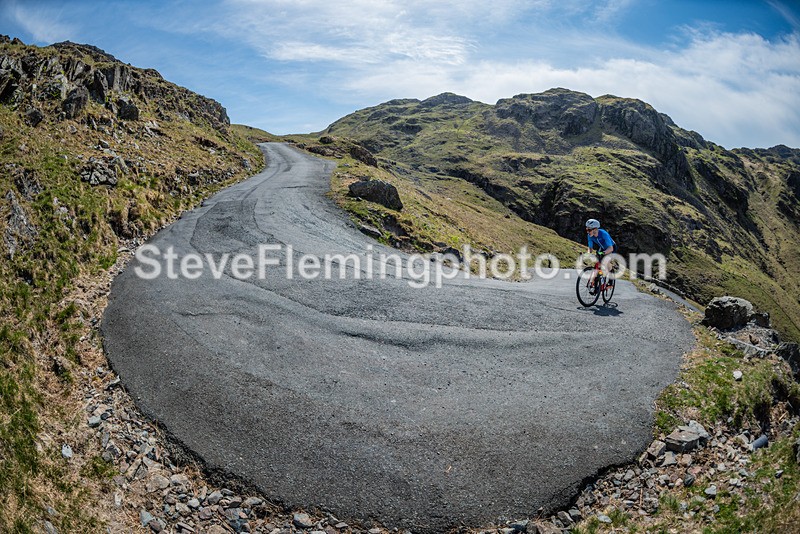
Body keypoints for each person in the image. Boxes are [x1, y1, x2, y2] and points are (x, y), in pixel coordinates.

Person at [585, 218, 617, 289]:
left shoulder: (604, 234)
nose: (588, 232)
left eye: (589, 230)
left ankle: (611, 277)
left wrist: (603, 253)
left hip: (611, 248)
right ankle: (595, 281)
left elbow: (610, 248)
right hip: (602, 248)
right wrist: (587, 253)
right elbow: (590, 248)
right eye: (587, 229)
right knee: (598, 264)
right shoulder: (589, 236)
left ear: (595, 229)